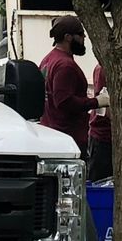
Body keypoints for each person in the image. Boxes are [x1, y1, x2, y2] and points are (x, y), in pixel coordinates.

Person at [38, 14, 93, 152]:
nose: (83, 38)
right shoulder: (65, 65)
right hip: (67, 138)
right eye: (80, 34)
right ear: (68, 37)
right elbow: (64, 102)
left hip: (50, 132)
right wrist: (97, 102)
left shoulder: (48, 59)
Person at [86, 62, 113, 182]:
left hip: (107, 136)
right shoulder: (103, 69)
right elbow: (105, 107)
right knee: (100, 182)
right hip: (102, 137)